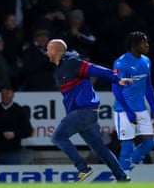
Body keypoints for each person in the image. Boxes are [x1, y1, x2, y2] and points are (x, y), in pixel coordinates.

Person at [46, 39, 132, 182]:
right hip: (86, 114)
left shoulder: (72, 63)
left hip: (83, 112)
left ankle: (83, 168)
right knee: (100, 150)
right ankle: (122, 177)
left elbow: (95, 69)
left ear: (55, 51)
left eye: (48, 49)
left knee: (58, 137)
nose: (46, 52)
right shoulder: (59, 69)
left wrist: (117, 79)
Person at [112, 32, 154, 176]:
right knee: (126, 147)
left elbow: (148, 87)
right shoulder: (121, 63)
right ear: (134, 45)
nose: (147, 45)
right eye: (144, 43)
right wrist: (129, 111)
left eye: (147, 42)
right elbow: (116, 90)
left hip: (141, 109)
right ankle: (122, 179)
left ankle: (127, 165)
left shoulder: (146, 61)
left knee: (149, 144)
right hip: (123, 110)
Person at [0, 86, 33, 165]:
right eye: (3, 94)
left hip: (12, 152)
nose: (5, 96)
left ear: (12, 95)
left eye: (7, 93)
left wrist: (14, 134)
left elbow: (28, 131)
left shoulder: (19, 110)